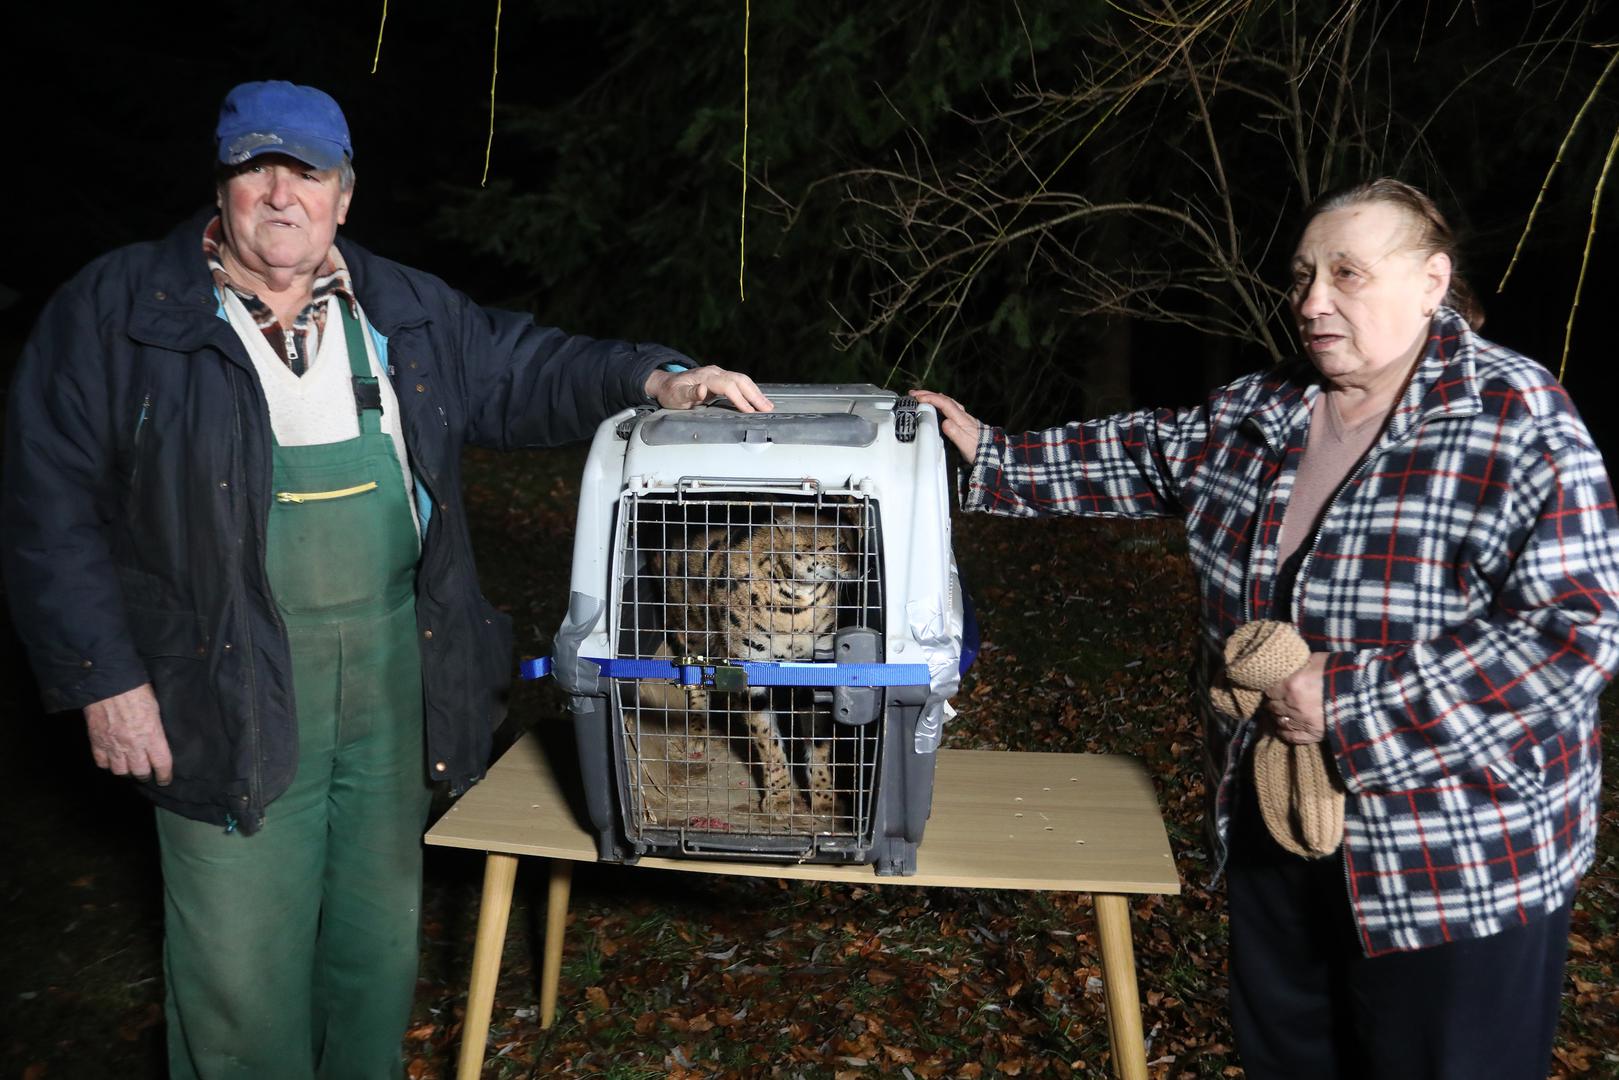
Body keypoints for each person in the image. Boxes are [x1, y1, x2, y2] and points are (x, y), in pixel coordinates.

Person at [0, 79, 771, 1080]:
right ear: (222, 185)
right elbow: (46, 504)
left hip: (392, 674)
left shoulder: (402, 307)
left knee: (374, 942)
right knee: (237, 963)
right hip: (214, 676)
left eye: (306, 172)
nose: (281, 194)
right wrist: (103, 675)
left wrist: (657, 379)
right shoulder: (118, 312)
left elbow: (529, 368)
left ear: (344, 195)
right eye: (256, 168)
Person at [914, 178, 1619, 1079]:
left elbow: (1573, 634)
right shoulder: (1265, 408)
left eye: (1347, 274)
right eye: (1301, 277)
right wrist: (991, 451)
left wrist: (1351, 698)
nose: (1311, 301)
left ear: (1431, 281)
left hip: (1453, 860)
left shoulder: (1512, 415)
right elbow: (1144, 453)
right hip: (1270, 828)